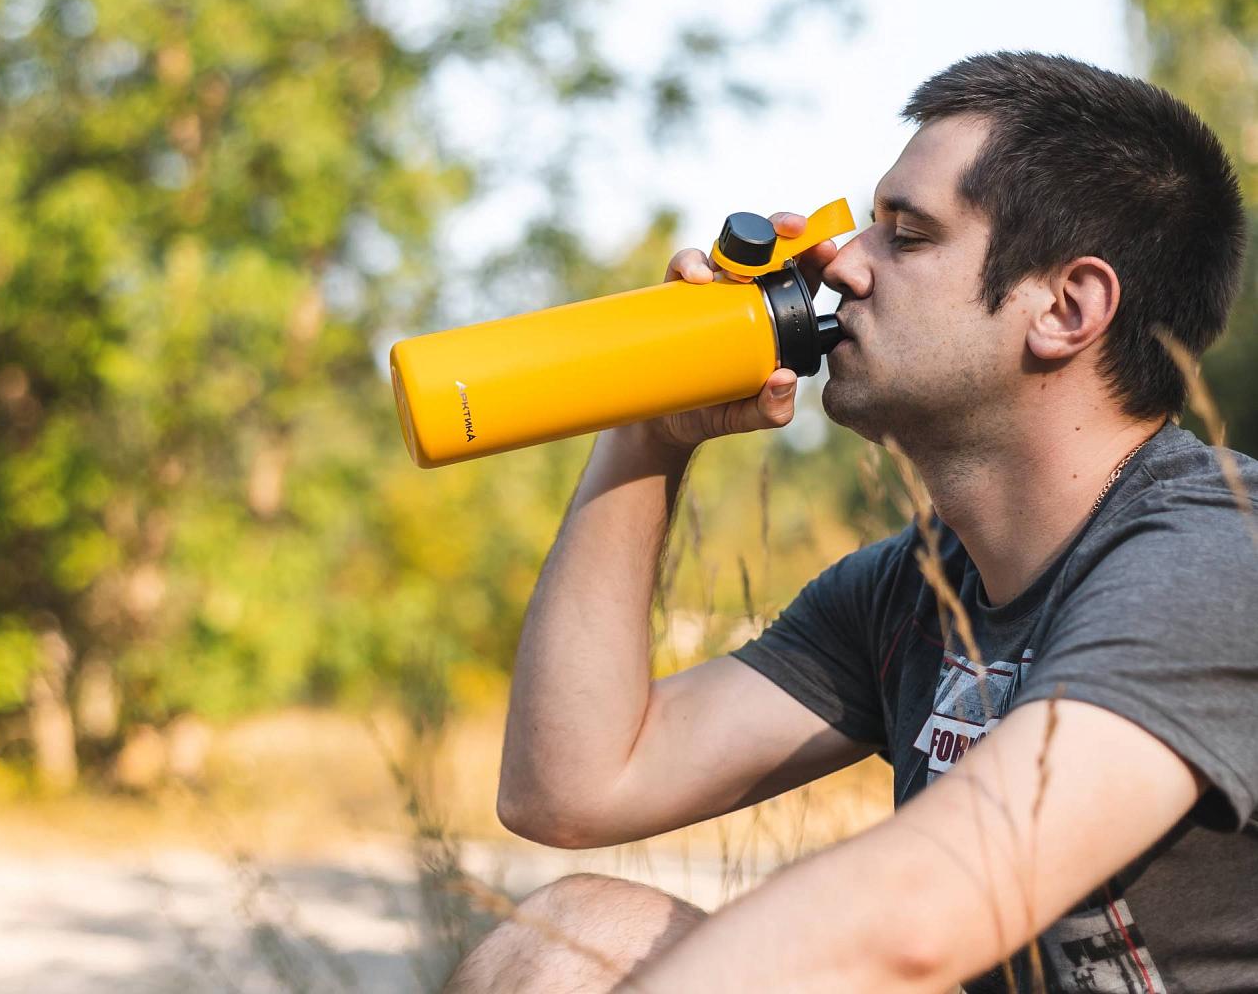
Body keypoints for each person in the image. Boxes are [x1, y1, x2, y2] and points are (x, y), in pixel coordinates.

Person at [444, 51, 1255, 993]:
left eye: (905, 236)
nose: (841, 265)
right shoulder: (918, 589)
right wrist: (648, 432)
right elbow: (570, 787)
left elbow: (920, 918)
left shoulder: (1213, 559)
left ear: (1065, 308)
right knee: (571, 944)